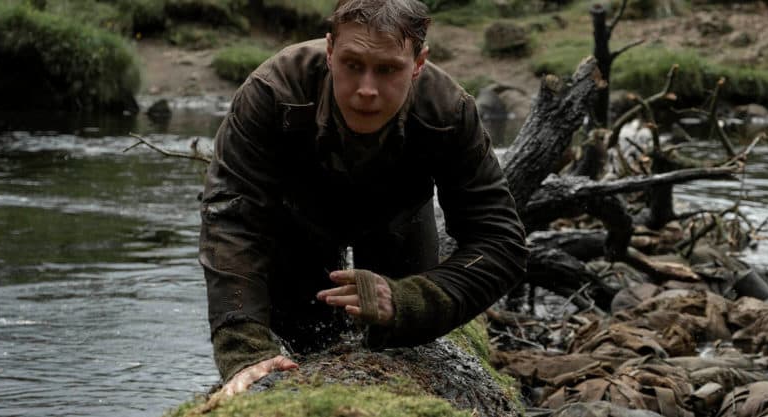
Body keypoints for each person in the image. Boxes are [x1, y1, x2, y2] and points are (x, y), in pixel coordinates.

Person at [199, 0, 528, 396]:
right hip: (296, 229)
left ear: (419, 63)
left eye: (388, 69)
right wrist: (245, 353)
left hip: (399, 223)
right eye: (352, 65)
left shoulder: (448, 112)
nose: (367, 90)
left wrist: (406, 300)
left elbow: (500, 242)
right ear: (330, 51)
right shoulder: (272, 92)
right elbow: (232, 219)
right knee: (303, 350)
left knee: (401, 345)